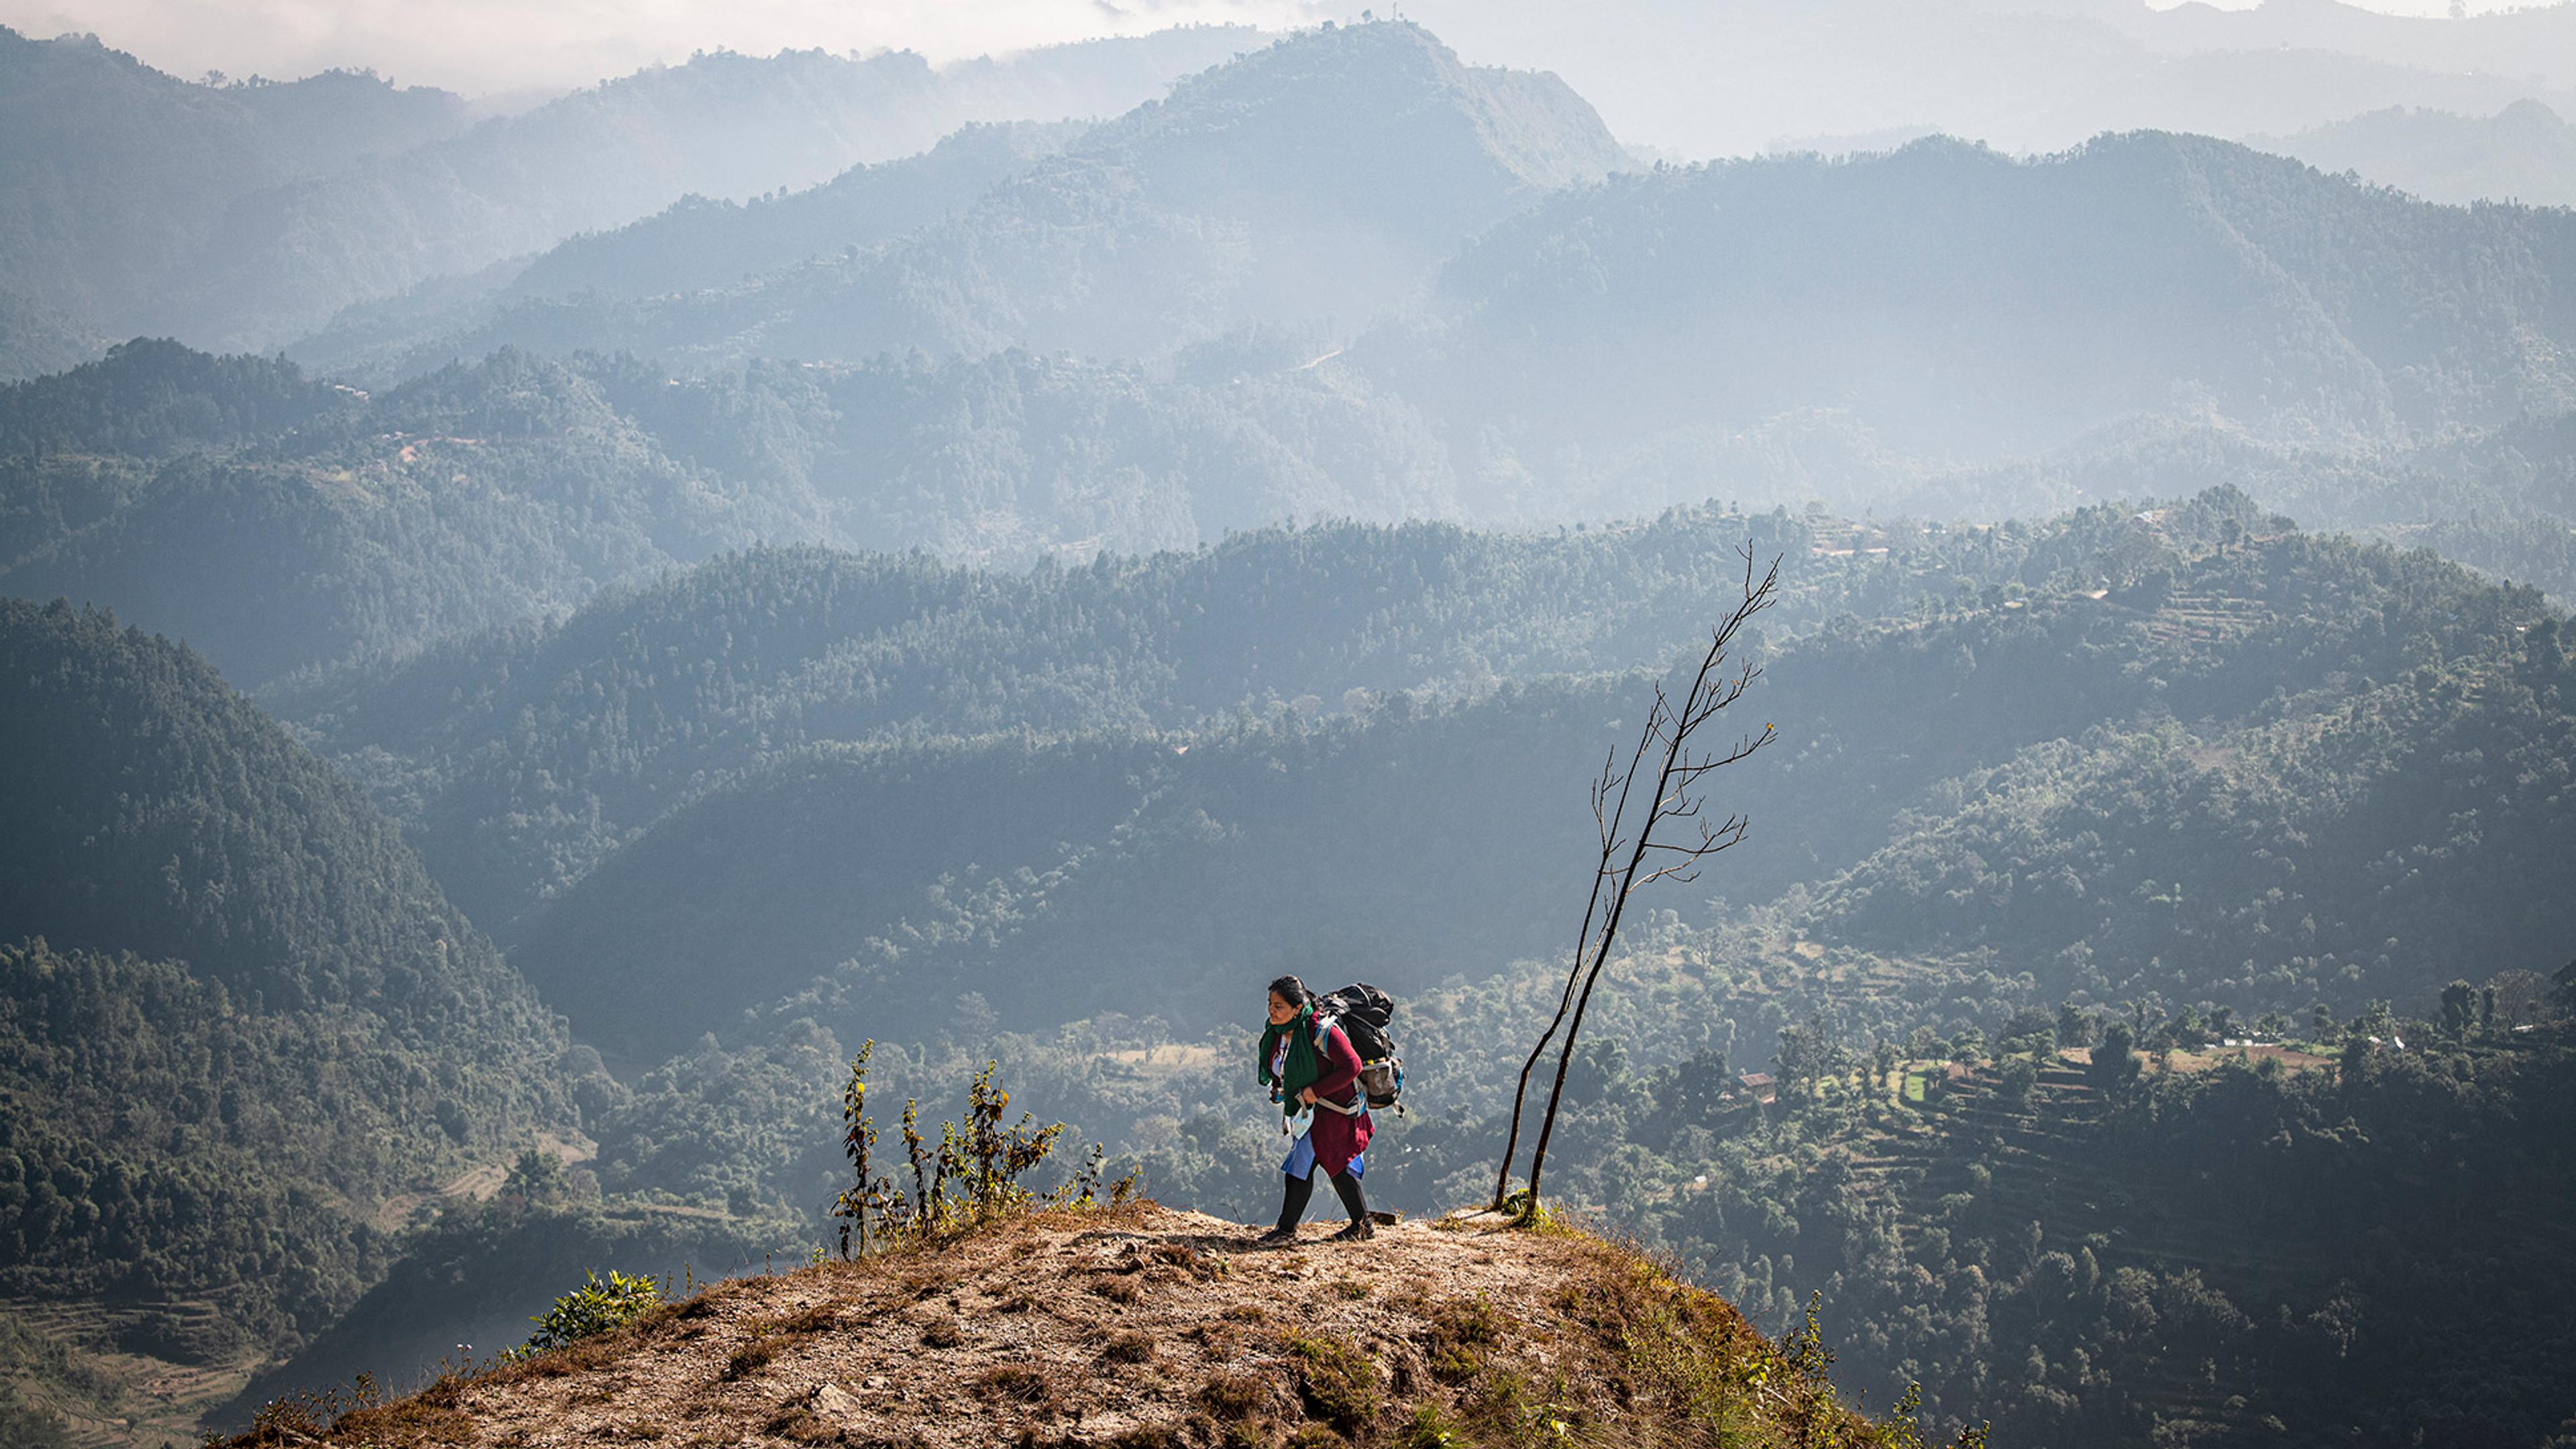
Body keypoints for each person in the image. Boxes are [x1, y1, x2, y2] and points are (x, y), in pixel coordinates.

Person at [1254, 974, 1375, 1245]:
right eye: (1270, 1004)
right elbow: (1284, 1067)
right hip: (1311, 1113)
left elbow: (1352, 1066)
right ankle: (1362, 1224)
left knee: (1321, 1165)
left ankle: (1287, 1230)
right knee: (1329, 1165)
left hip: (1337, 1111)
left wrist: (1314, 1091)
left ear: (1298, 1008)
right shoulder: (1278, 1033)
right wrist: (1281, 1086)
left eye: (1279, 1006)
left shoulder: (1320, 1030)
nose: (1272, 1011)